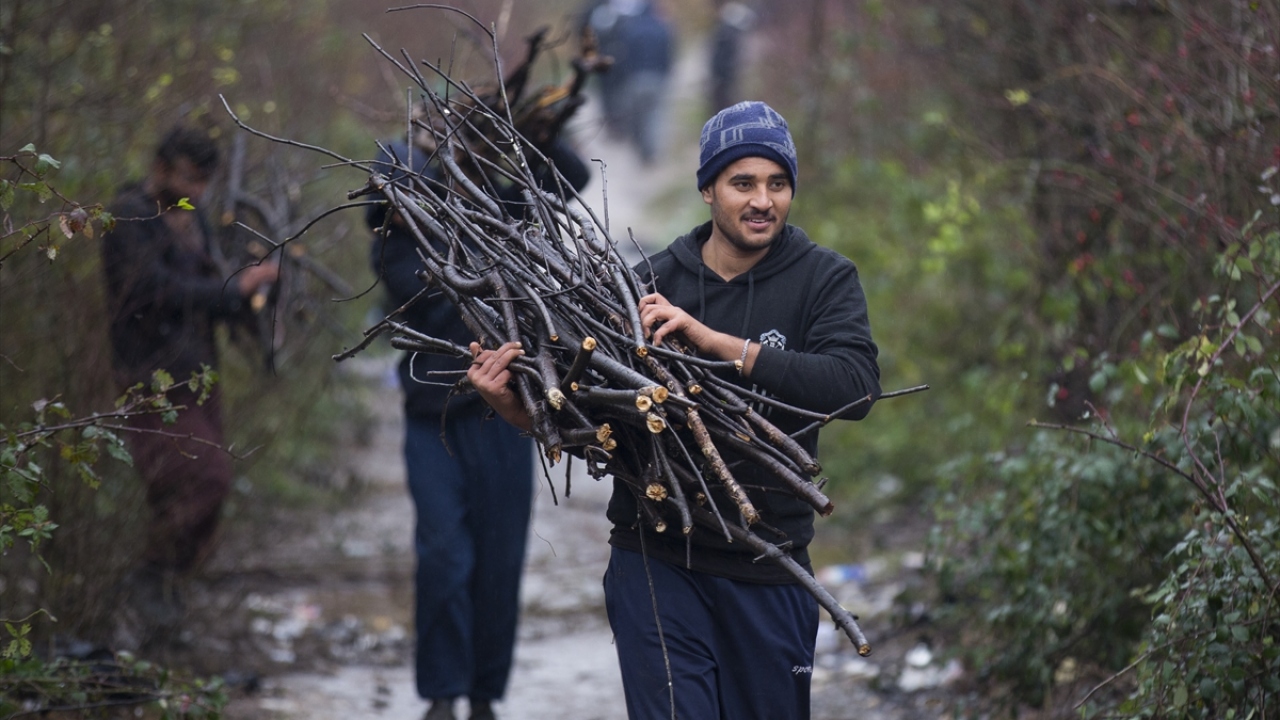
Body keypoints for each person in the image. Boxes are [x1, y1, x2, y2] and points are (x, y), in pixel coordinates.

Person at [468, 100, 881, 719]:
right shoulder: (647, 287)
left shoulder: (824, 279)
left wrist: (718, 346)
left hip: (770, 566)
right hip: (659, 564)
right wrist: (520, 412)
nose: (762, 200)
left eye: (777, 183)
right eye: (742, 183)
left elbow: (855, 386)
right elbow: (597, 425)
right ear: (709, 189)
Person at [368, 125, 590, 720]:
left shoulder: (486, 213)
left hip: (502, 417)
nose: (399, 207)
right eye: (390, 201)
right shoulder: (394, 248)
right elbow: (440, 299)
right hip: (432, 419)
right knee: (443, 555)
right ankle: (442, 693)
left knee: (499, 558)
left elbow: (570, 176)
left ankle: (484, 696)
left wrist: (525, 130)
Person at [101, 124, 279, 638]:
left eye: (203, 180)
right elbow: (155, 291)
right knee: (205, 479)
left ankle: (158, 614)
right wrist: (233, 290)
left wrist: (253, 287)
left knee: (183, 493)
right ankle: (149, 581)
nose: (195, 190)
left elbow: (207, 285)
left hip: (198, 376)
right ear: (161, 167)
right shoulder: (129, 217)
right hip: (149, 379)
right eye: (188, 177)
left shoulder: (193, 218)